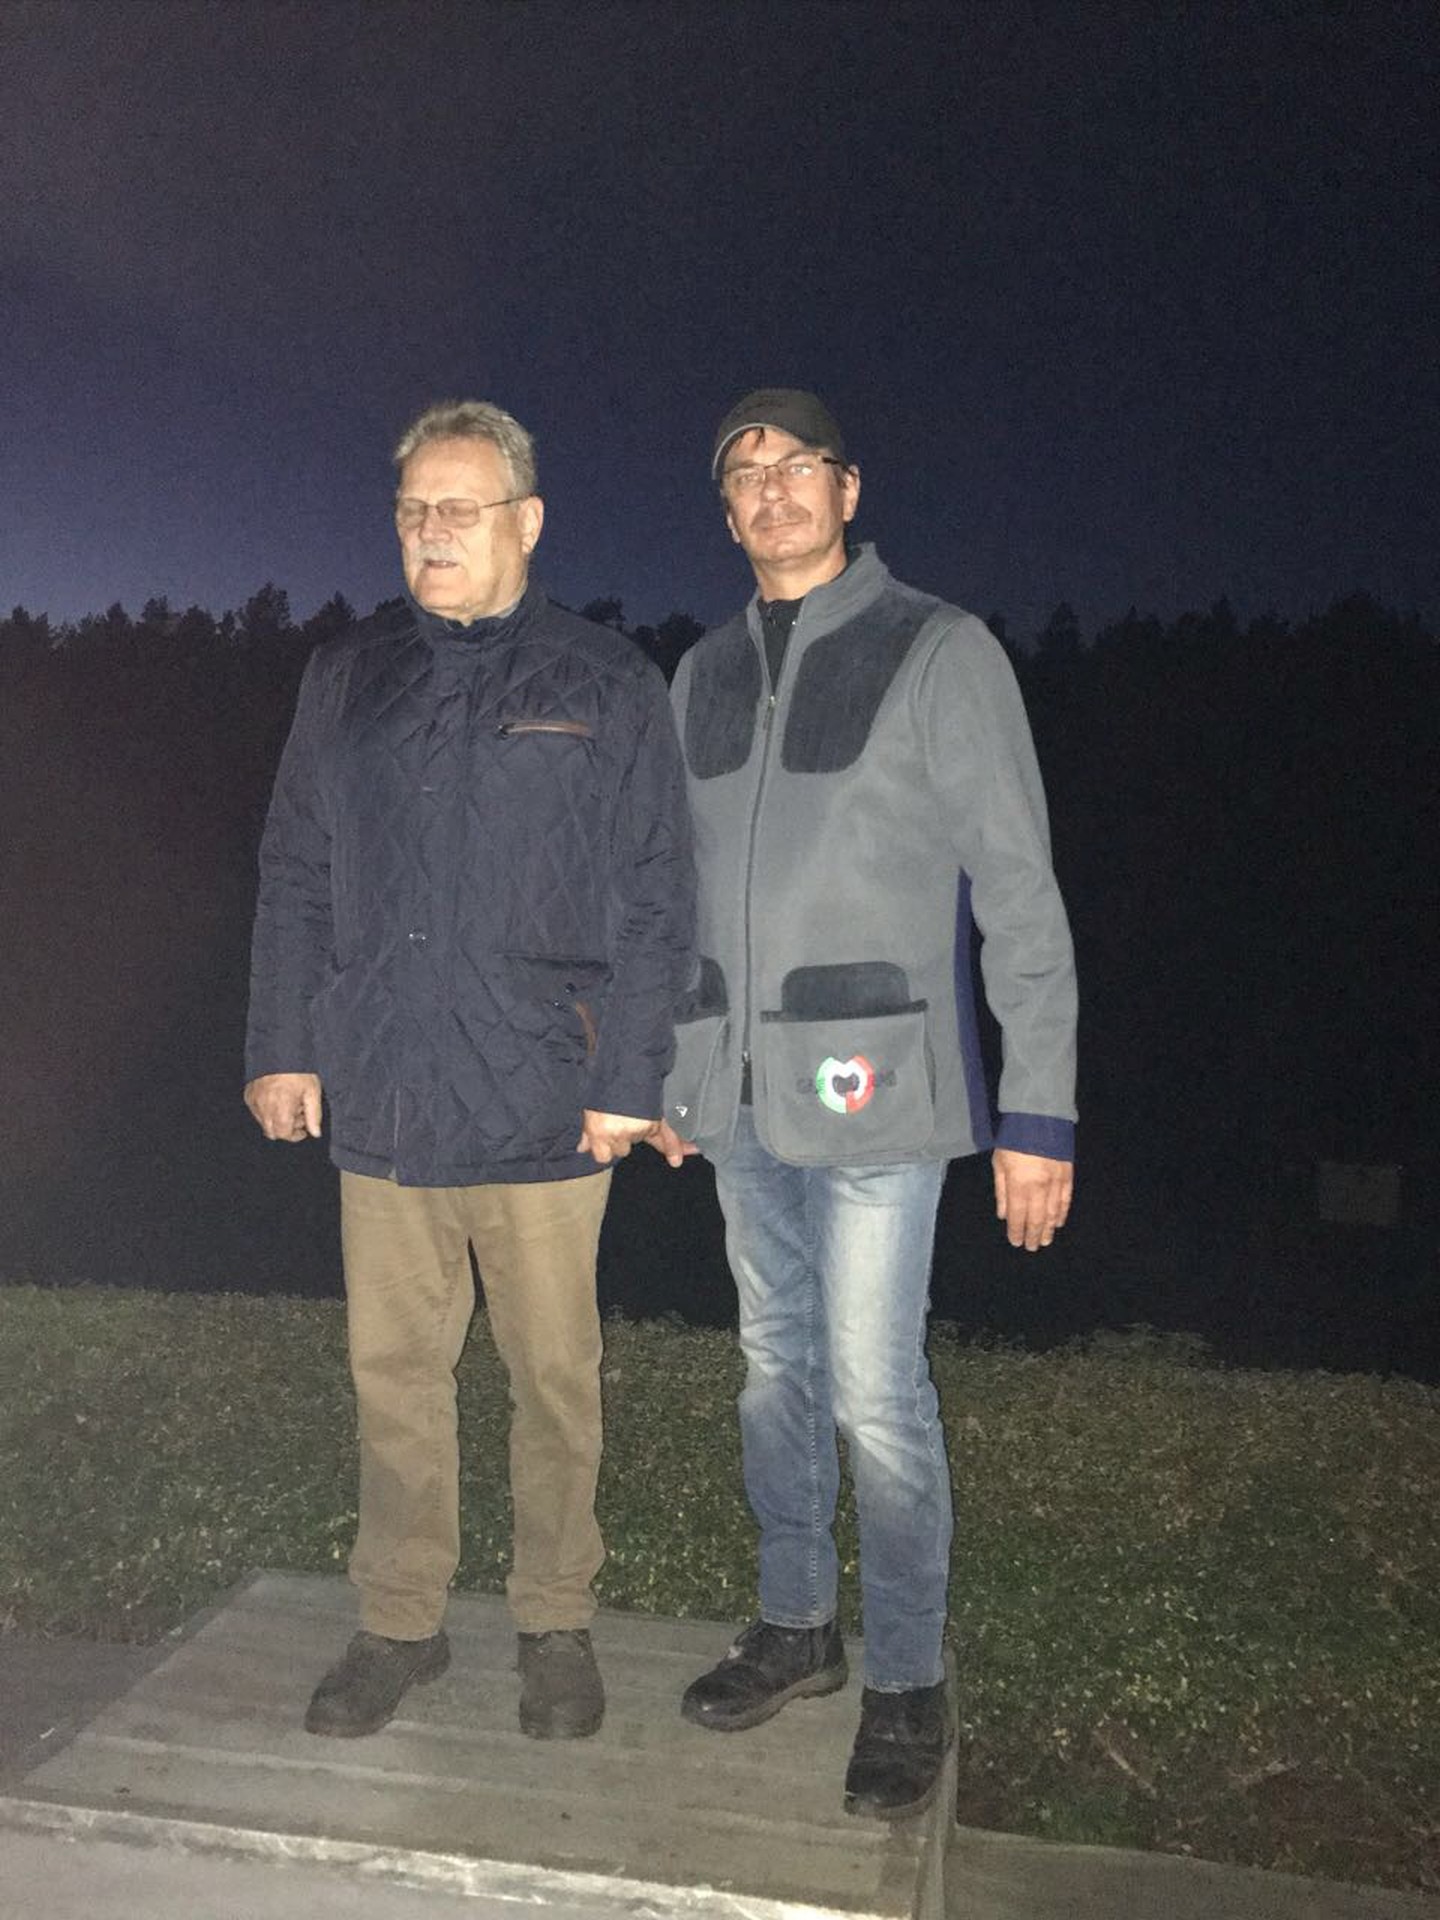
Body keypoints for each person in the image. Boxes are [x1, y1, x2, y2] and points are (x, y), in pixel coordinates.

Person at [651, 389, 1076, 1819]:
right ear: (727, 512)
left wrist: (1040, 1114)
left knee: (879, 1394)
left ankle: (904, 1676)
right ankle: (796, 1624)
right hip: (738, 1097)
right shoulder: (701, 673)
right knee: (773, 1368)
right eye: (744, 472)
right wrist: (666, 1071)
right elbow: (669, 895)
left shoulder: (939, 650)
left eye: (796, 465)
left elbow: (1019, 892)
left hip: (880, 1093)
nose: (770, 488)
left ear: (847, 488)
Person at [245, 399, 693, 1743]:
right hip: (384, 1087)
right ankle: (401, 1622)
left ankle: (554, 1621)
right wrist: (282, 1045)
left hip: (546, 1093)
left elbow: (657, 895)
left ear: (527, 521)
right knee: (394, 1372)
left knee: (554, 1380)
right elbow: (295, 869)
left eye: (460, 508)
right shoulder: (348, 675)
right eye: (413, 511)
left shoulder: (607, 680)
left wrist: (635, 1076)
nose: (431, 533)